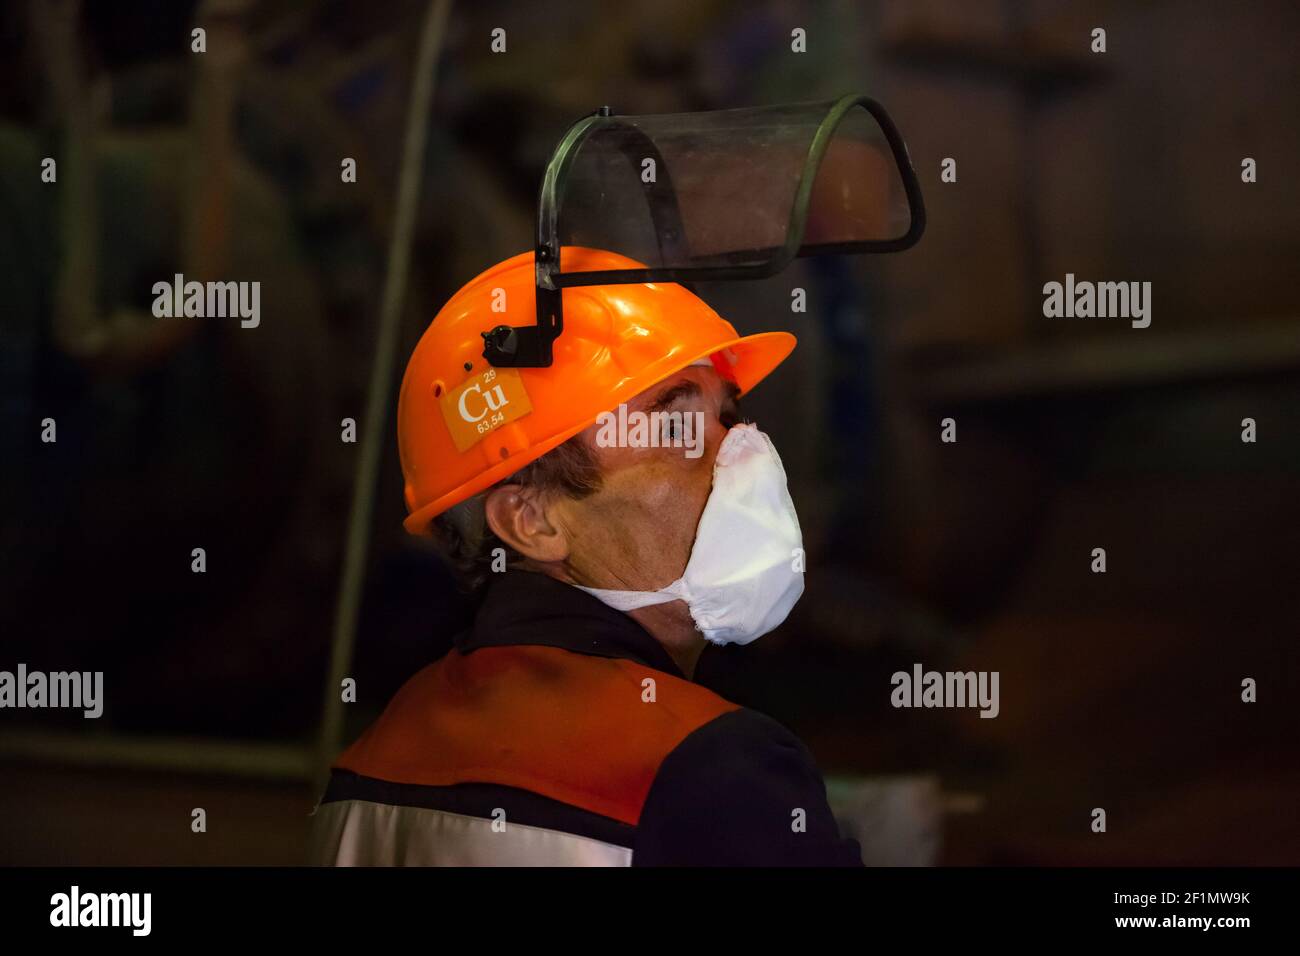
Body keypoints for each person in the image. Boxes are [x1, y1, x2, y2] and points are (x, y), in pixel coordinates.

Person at [311, 247, 862, 866]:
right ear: (533, 521)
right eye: (675, 427)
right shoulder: (713, 770)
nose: (744, 455)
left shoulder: (370, 765)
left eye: (731, 419)